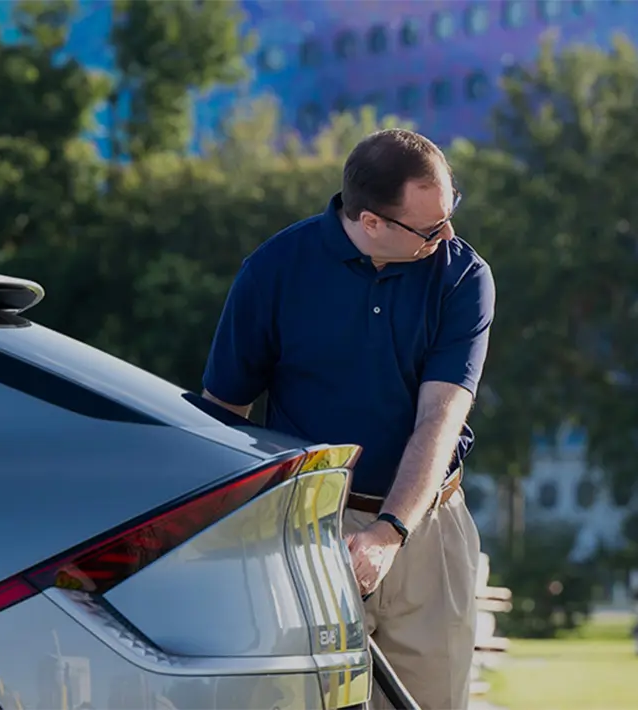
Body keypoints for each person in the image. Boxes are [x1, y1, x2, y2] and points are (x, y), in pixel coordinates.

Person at [200, 128, 494, 710]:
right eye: (430, 227)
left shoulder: (463, 275)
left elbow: (440, 416)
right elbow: (222, 417)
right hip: (305, 528)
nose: (449, 234)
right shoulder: (274, 270)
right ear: (370, 221)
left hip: (427, 529)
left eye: (451, 208)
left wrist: (389, 531)